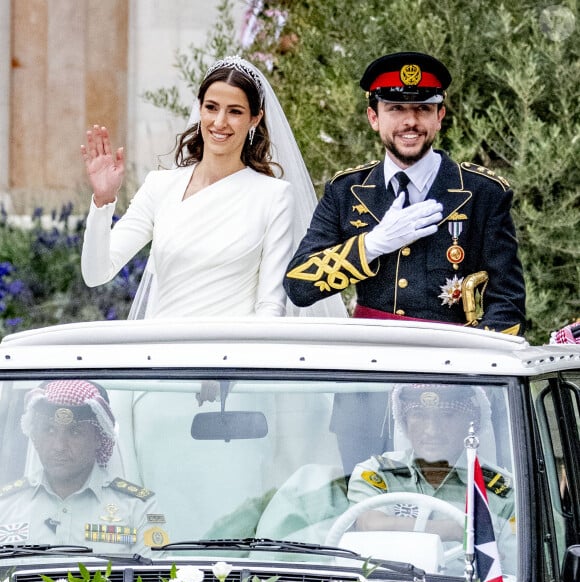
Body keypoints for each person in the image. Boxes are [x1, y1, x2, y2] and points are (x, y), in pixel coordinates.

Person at [80, 56, 346, 320]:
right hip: (161, 352)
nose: (220, 121)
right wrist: (103, 201)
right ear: (199, 108)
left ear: (255, 118)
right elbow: (96, 274)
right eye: (212, 107)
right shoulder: (160, 186)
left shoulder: (275, 196)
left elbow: (270, 305)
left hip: (229, 355)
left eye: (235, 111)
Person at [284, 51, 526, 335]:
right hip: (372, 357)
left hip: (451, 361)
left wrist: (469, 363)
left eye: (423, 108)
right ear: (374, 117)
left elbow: (508, 306)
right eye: (396, 108)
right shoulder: (347, 190)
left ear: (440, 116)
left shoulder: (483, 193)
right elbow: (298, 286)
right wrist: (372, 244)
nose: (410, 121)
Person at [347, 383, 516, 569]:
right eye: (418, 415)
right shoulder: (377, 471)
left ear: (471, 423)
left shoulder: (505, 491)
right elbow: (370, 524)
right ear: (404, 421)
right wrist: (456, 530)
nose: (432, 431)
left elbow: (514, 575)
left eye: (447, 416)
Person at [0, 380, 169, 555]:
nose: (59, 446)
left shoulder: (138, 507)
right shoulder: (5, 505)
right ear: (35, 436)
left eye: (75, 432)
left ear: (98, 438)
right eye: (49, 430)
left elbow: (156, 579)